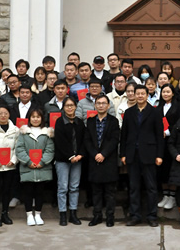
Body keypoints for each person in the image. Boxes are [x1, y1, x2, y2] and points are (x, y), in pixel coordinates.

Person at [120, 85, 164, 227]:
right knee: (133, 187)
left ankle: (152, 216)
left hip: (150, 155)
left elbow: (159, 136)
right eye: (137, 93)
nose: (139, 96)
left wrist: (159, 155)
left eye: (142, 94)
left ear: (147, 95)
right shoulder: (128, 112)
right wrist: (123, 154)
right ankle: (135, 215)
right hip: (132, 154)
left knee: (151, 187)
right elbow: (124, 135)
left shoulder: (155, 112)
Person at [84, 95, 120, 227]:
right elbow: (87, 140)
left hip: (108, 160)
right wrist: (95, 154)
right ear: (95, 105)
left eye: (103, 103)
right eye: (98, 103)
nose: (101, 105)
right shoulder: (90, 121)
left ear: (108, 105)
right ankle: (97, 216)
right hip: (94, 161)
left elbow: (114, 140)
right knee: (96, 191)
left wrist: (103, 154)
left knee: (110, 192)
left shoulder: (113, 121)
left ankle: (110, 217)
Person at [16, 108, 54, 226]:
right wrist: (28, 161)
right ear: (29, 118)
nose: (35, 119)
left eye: (38, 117)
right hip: (28, 168)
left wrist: (42, 162)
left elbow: (50, 149)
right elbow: (19, 148)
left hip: (42, 168)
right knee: (27, 192)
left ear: (42, 118)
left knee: (39, 193)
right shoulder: (23, 132)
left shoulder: (47, 133)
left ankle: (38, 214)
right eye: (33, 117)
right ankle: (29, 215)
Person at [53, 97, 85, 226]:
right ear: (63, 108)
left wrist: (80, 155)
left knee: (74, 187)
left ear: (76, 107)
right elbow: (60, 142)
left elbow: (84, 140)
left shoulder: (80, 122)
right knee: (62, 187)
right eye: (67, 106)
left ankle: (73, 213)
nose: (70, 108)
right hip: (63, 160)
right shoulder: (60, 122)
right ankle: (62, 214)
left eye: (72, 105)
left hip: (78, 159)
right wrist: (71, 156)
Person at [157, 84, 180, 210]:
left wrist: (167, 132)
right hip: (160, 143)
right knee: (162, 170)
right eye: (163, 91)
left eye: (168, 91)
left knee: (172, 169)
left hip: (173, 142)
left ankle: (172, 197)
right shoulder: (158, 107)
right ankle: (165, 195)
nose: (165, 94)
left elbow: (179, 124)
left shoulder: (178, 107)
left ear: (173, 93)